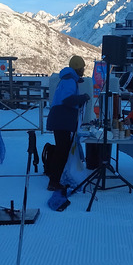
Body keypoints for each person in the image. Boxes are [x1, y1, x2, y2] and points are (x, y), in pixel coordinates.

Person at [45, 55, 90, 190]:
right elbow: (67, 100)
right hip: (61, 120)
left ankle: (55, 179)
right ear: (78, 68)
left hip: (60, 119)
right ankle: (54, 182)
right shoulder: (69, 80)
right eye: (82, 68)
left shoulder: (67, 80)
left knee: (62, 151)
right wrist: (83, 97)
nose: (83, 71)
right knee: (62, 152)